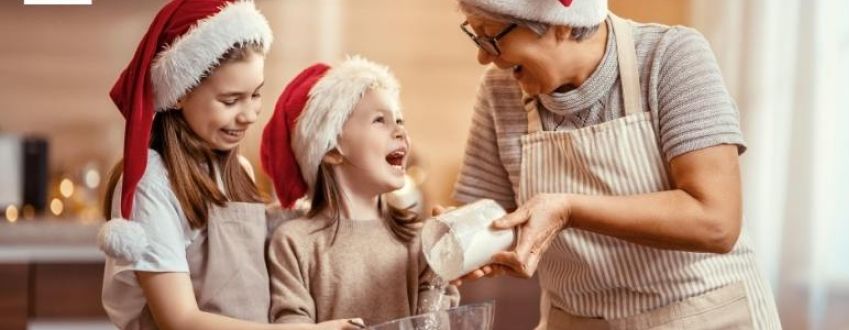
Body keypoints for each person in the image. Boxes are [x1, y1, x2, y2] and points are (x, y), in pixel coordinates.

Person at [448, 0, 782, 328]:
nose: (483, 57)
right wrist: (462, 234)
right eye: (476, 37)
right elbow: (493, 216)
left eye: (492, 38)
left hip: (704, 314)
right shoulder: (499, 92)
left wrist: (569, 210)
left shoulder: (669, 56)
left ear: (560, 24)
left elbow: (716, 223)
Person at [96, 1, 315, 329]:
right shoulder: (151, 181)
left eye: (256, 95)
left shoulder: (239, 169)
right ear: (181, 93)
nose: (248, 114)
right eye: (229, 100)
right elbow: (178, 319)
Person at [261, 56, 459, 327]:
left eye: (399, 119)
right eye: (380, 120)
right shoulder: (294, 242)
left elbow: (435, 322)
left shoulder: (418, 238)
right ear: (331, 149)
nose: (400, 130)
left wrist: (443, 263)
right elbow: (291, 320)